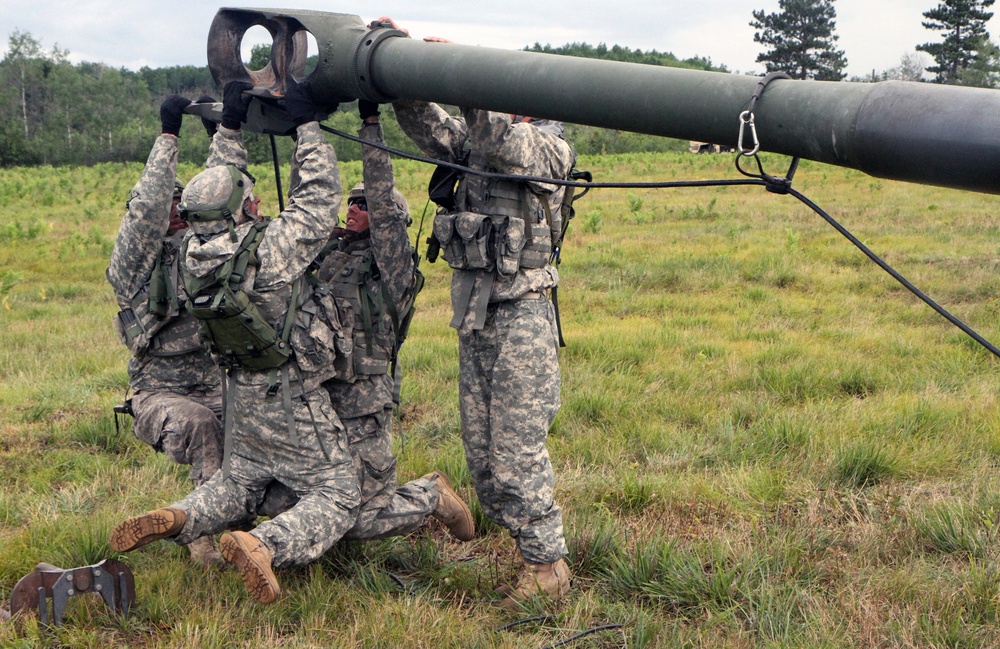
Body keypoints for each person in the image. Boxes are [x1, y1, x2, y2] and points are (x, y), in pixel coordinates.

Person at [110, 80, 357, 605]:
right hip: (288, 397)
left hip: (236, 393)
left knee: (236, 485)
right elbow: (316, 202)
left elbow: (193, 197)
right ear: (245, 206)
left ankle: (181, 516)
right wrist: (307, 129)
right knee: (339, 492)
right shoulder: (267, 251)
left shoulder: (188, 255)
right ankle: (264, 543)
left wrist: (226, 130)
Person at [382, 18, 576, 607]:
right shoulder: (477, 140)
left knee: (517, 451)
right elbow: (428, 129)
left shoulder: (547, 148)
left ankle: (549, 567)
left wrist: (465, 73)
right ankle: (520, 540)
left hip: (521, 317)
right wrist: (408, 64)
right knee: (484, 455)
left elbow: (500, 143)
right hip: (477, 314)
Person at [259, 99, 475, 544]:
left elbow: (381, 191)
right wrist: (305, 128)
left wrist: (371, 127)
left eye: (362, 205)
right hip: (316, 391)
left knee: (366, 517)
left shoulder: (394, 268)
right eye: (350, 203)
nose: (353, 209)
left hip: (363, 398)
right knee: (304, 493)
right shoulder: (330, 256)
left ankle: (431, 496)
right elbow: (305, 204)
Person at [106, 95, 224, 567]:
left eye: (183, 201)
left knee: (260, 417)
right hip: (158, 391)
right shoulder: (132, 264)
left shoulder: (202, 251)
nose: (174, 210)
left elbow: (232, 203)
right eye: (167, 202)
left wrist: (223, 133)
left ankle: (261, 525)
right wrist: (169, 136)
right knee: (202, 427)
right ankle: (202, 534)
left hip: (214, 381)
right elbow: (148, 208)